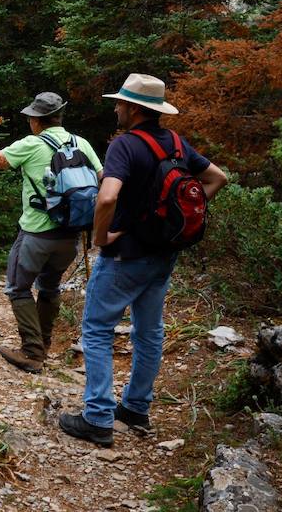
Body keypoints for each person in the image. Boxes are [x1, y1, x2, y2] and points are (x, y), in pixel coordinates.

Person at [59, 74, 228, 448]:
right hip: (163, 254)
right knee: (149, 332)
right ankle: (135, 408)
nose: (116, 108)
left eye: (119, 103)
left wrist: (101, 238)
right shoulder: (177, 144)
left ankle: (98, 418)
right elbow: (216, 178)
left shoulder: (125, 146)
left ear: (134, 108)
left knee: (98, 330)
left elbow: (106, 199)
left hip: (125, 256)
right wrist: (172, 222)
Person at [0, 92, 101, 372]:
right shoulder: (82, 143)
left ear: (36, 120)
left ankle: (31, 352)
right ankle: (44, 345)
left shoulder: (31, 144)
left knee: (18, 287)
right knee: (50, 287)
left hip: (36, 234)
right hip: (70, 236)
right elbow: (102, 180)